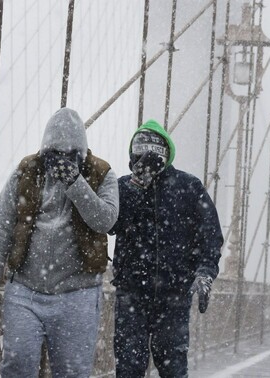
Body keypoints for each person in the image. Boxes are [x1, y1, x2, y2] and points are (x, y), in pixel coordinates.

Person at [0, 107, 119, 377]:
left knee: (73, 372)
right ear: (45, 150)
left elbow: (106, 220)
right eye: (55, 153)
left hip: (79, 293)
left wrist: (75, 182)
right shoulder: (26, 172)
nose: (61, 160)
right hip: (25, 291)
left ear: (81, 152)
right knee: (17, 365)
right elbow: (1, 230)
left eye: (70, 154)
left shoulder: (102, 173)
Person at [109, 119, 223, 378]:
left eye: (154, 149)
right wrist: (137, 186)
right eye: (141, 148)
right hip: (132, 294)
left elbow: (210, 235)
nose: (147, 155)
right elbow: (112, 224)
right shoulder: (123, 186)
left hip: (174, 296)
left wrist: (205, 273)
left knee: (173, 369)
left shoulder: (189, 187)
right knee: (128, 369)